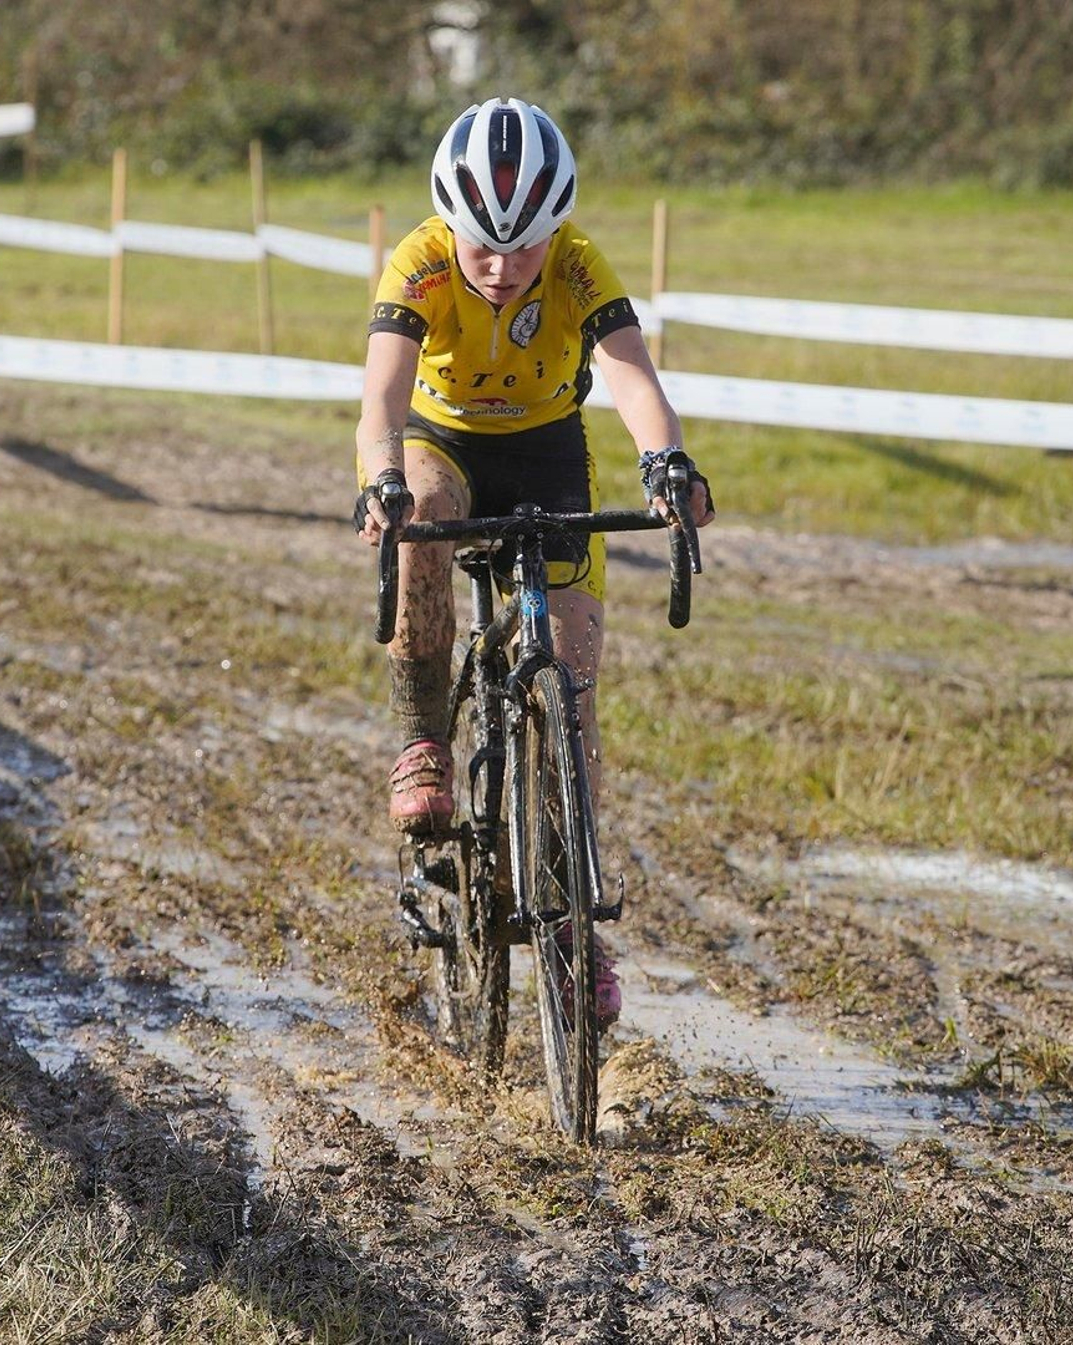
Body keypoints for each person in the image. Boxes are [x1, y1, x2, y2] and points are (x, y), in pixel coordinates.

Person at [354, 97, 716, 1028]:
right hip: (445, 444)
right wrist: (383, 481)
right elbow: (381, 401)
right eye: (485, 246)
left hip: (550, 449)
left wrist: (666, 460)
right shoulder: (422, 261)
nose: (506, 268)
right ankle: (423, 739)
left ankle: (576, 926)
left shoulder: (578, 263)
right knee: (424, 512)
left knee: (576, 677)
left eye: (525, 248)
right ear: (452, 224)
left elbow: (632, 374)